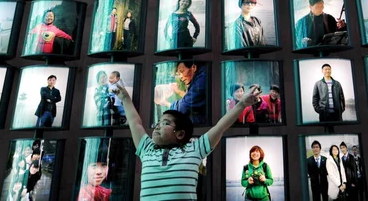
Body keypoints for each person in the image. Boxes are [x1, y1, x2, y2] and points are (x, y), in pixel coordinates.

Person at [110, 75, 259, 199]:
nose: (158, 126)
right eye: (158, 122)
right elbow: (135, 123)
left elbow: (220, 127)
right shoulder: (146, 149)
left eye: (165, 123)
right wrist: (125, 99)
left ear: (180, 134)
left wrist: (241, 105)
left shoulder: (193, 150)